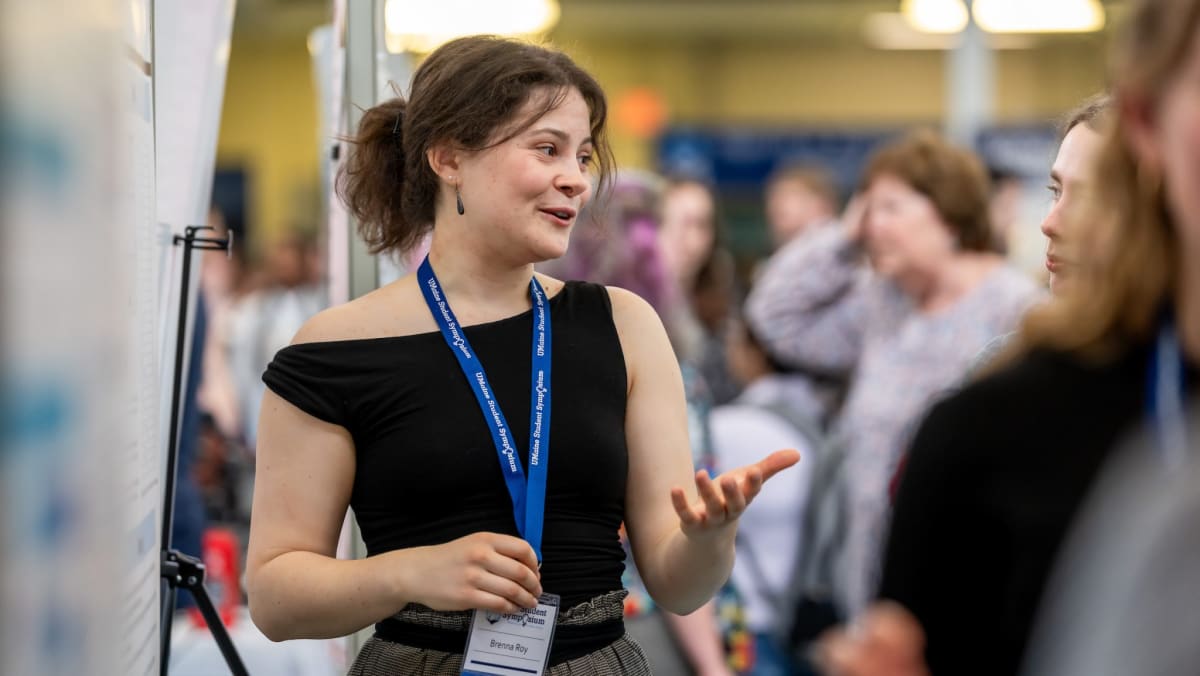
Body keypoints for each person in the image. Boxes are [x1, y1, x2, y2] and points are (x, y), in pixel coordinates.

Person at [244, 35, 798, 676]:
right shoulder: (336, 348)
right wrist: (407, 572)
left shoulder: (623, 326)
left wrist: (710, 538)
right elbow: (276, 598)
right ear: (448, 157)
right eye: (547, 149)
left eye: (583, 156)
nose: (577, 180)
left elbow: (678, 587)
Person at [821, 1, 1200, 673]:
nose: (1052, 222)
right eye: (1055, 191)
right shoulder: (987, 427)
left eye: (1086, 195)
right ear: (1151, 127)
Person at [746, 130, 1039, 618]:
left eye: (890, 208)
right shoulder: (883, 303)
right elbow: (774, 317)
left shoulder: (1015, 308)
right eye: (866, 208)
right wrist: (844, 236)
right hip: (866, 583)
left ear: (947, 211)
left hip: (966, 585)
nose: (872, 225)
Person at [763, 163, 839, 250]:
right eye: (774, 198)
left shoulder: (837, 237)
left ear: (821, 203)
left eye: (789, 195)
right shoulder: (785, 253)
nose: (776, 204)